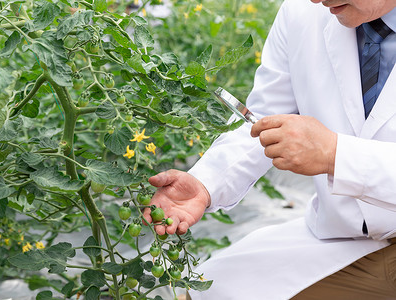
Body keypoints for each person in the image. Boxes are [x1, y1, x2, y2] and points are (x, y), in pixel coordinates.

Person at [143, 0, 396, 299]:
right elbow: (262, 121)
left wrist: (335, 154)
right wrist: (206, 183)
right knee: (204, 292)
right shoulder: (302, 13)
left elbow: (337, 151)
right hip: (342, 236)